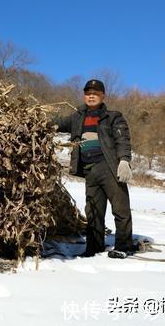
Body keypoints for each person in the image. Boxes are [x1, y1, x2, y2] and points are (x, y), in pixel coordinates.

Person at [52, 79, 136, 258]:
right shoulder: (77, 117)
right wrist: (37, 121)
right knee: (93, 211)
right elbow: (57, 124)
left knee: (120, 208)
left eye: (95, 93)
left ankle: (124, 246)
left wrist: (124, 160)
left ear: (103, 96)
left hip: (110, 168)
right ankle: (94, 247)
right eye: (88, 93)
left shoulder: (113, 117)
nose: (91, 96)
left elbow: (123, 139)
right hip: (90, 171)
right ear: (84, 96)